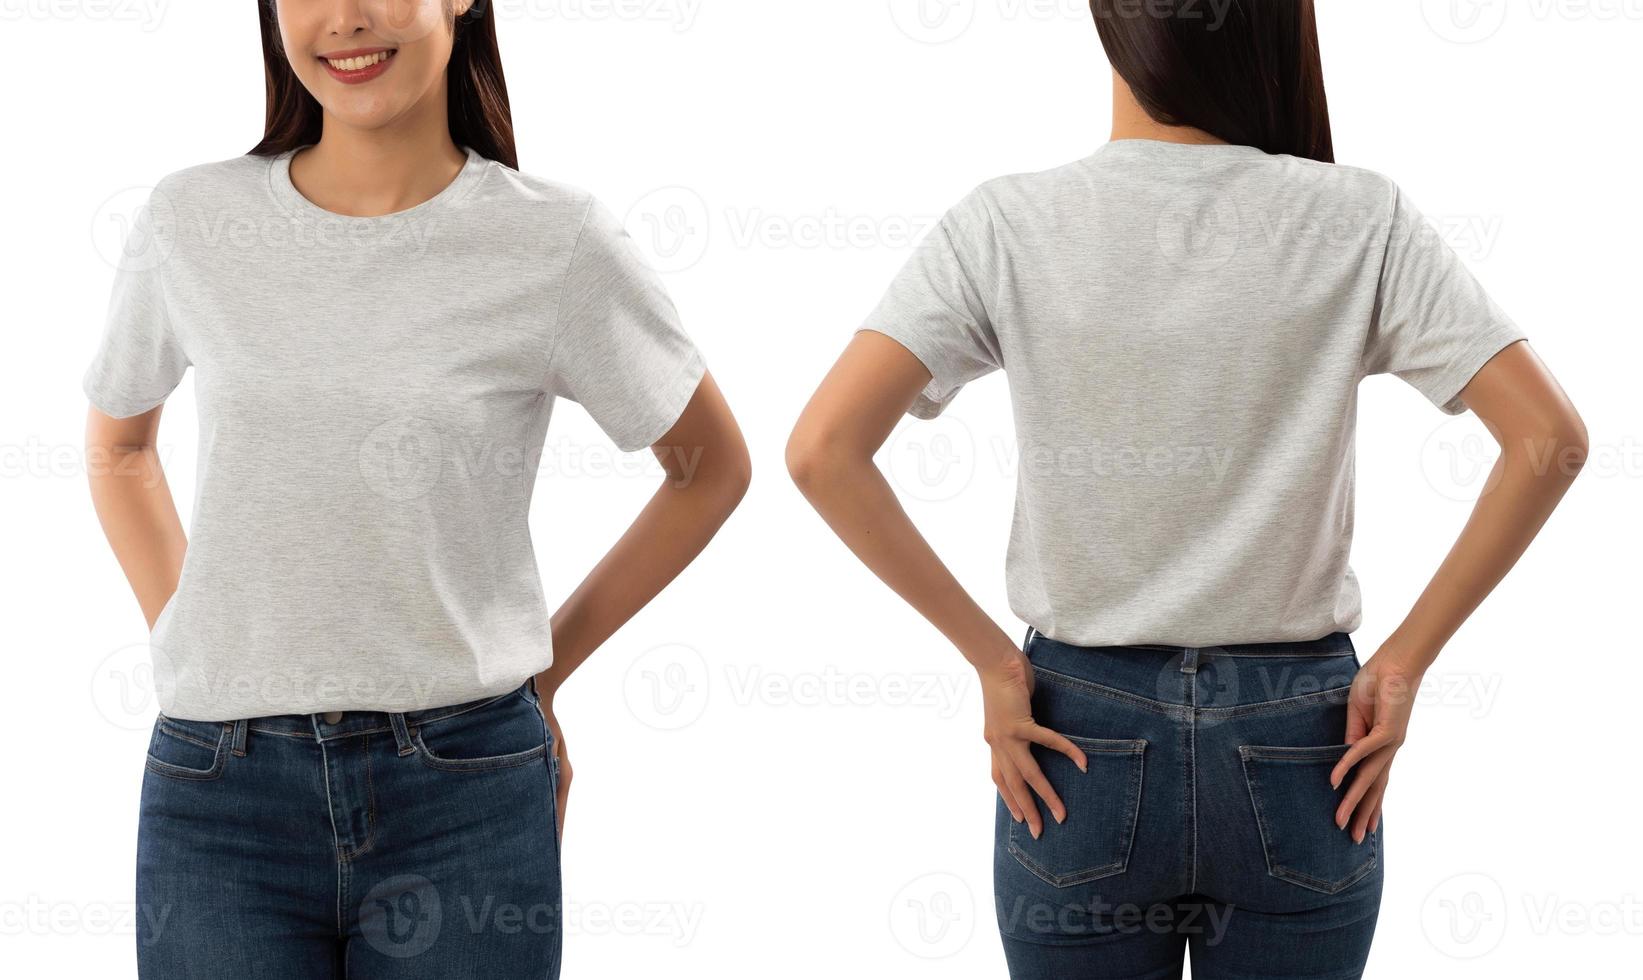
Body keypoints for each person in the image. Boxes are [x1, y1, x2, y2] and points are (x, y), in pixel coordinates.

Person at [785, 3, 1586, 977]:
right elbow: (1546, 438)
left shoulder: (1004, 222)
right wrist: (1402, 662)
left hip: (1075, 736)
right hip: (1302, 738)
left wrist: (994, 661)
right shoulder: (1357, 217)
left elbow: (824, 447)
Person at [83, 2, 749, 976]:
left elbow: (709, 468)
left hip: (465, 792)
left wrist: (546, 670)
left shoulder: (553, 240)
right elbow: (119, 447)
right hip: (218, 800)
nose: (345, 19)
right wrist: (191, 626)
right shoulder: (192, 219)